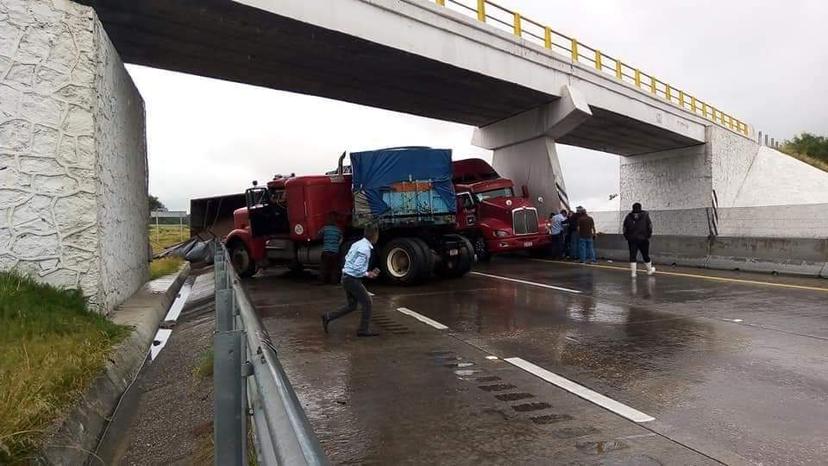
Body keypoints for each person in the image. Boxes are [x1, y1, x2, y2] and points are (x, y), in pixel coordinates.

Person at [321, 224, 381, 337]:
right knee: (367, 303)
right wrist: (369, 274)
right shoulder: (365, 249)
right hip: (352, 279)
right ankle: (363, 330)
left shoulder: (357, 244)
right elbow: (357, 268)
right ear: (375, 235)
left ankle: (328, 316)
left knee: (352, 305)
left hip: (346, 276)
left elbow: (348, 258)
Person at [623, 202, 655, 277]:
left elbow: (625, 228)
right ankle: (649, 270)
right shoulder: (645, 215)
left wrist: (627, 237)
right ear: (640, 208)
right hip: (643, 239)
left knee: (633, 256)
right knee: (645, 255)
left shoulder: (628, 216)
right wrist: (648, 236)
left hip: (632, 240)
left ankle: (633, 273)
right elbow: (650, 227)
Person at [317, 213, 343, 285]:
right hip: (335, 251)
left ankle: (322, 281)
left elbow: (318, 235)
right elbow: (341, 239)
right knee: (335, 268)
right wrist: (337, 245)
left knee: (324, 266)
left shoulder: (325, 229)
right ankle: (334, 282)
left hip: (326, 250)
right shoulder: (338, 230)